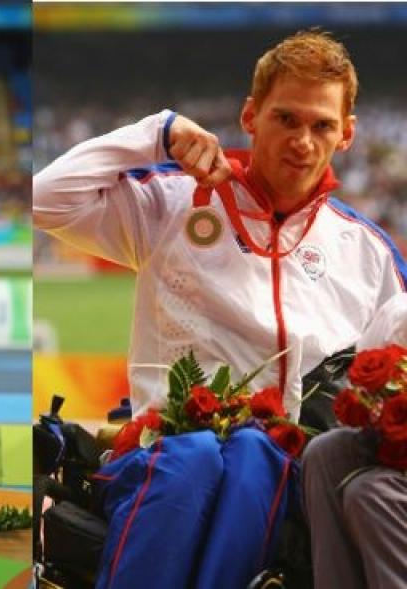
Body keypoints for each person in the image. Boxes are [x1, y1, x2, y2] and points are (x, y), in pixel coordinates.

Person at [34, 30, 406, 588]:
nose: (303, 141)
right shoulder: (174, 201)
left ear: (347, 134)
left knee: (256, 455)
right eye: (286, 119)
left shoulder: (368, 252)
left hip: (292, 477)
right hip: (167, 456)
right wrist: (157, 134)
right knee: (197, 459)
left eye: (322, 125)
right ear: (251, 116)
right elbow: (43, 198)